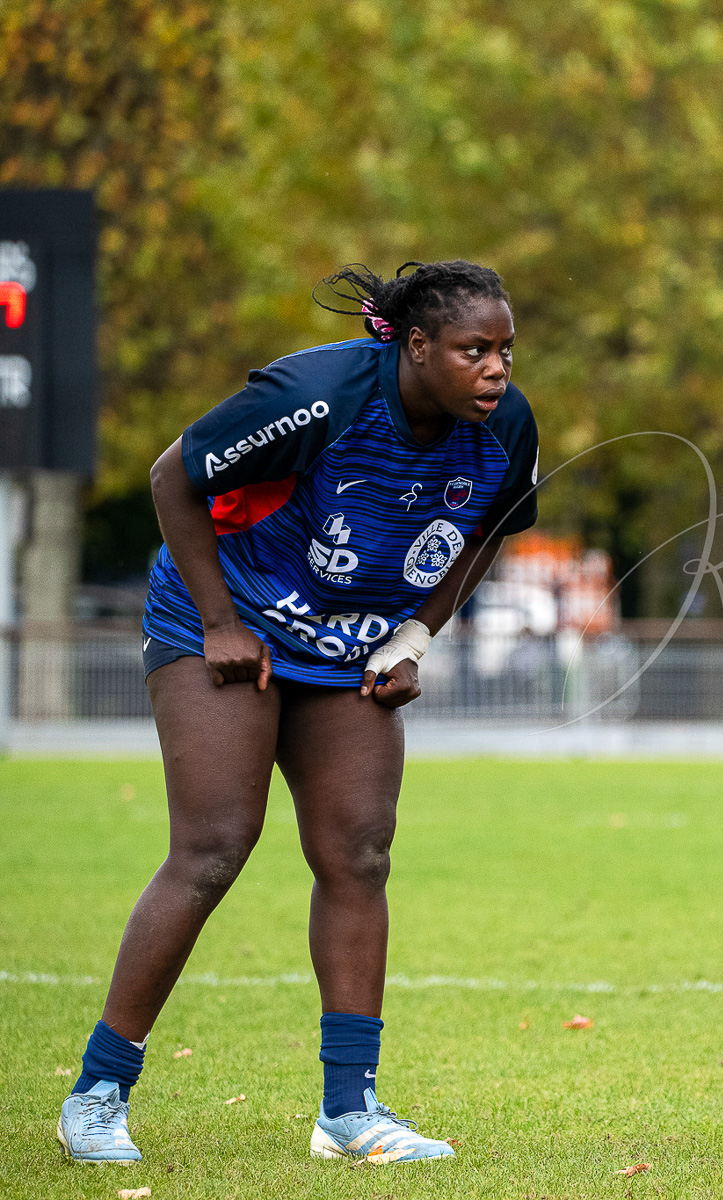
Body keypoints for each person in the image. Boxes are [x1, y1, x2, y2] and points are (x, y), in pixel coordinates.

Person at [55, 261, 538, 1166]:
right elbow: (171, 478)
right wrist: (219, 622)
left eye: (507, 350)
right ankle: (97, 1093)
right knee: (213, 848)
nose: (498, 370)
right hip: (227, 621)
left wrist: (416, 640)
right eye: (476, 350)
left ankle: (348, 1113)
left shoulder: (504, 427)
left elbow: (485, 533)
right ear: (417, 345)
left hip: (346, 650)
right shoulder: (319, 392)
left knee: (358, 850)